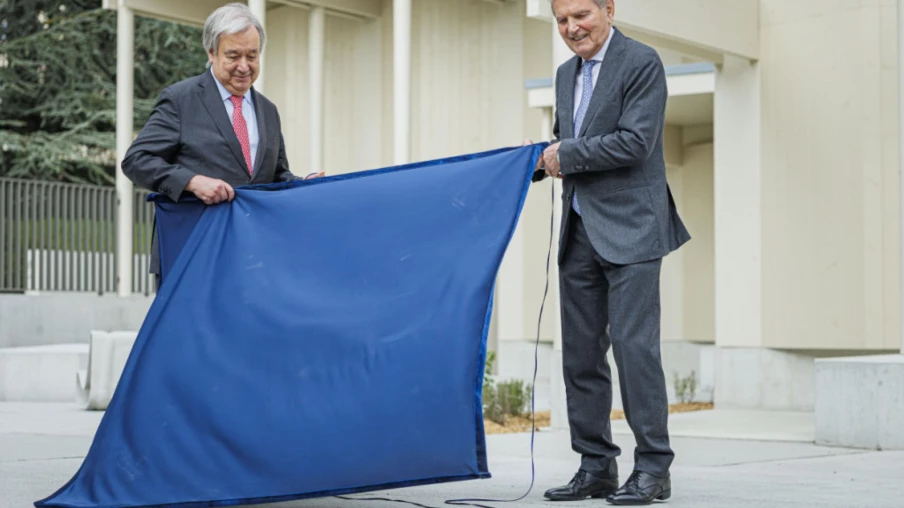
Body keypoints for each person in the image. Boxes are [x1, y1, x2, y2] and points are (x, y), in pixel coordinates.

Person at [533, 0, 690, 505]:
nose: (571, 27)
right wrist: (534, 159)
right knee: (580, 356)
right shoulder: (564, 74)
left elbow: (635, 143)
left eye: (581, 14)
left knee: (633, 348)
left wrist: (565, 154)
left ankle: (653, 470)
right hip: (579, 230)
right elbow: (567, 142)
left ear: (608, 9)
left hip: (634, 229)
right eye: (561, 20)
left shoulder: (641, 61)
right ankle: (596, 466)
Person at [122, 3, 321, 289]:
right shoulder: (181, 100)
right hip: (192, 252)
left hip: (253, 257)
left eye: (252, 55)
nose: (244, 66)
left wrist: (302, 185)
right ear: (211, 53)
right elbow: (135, 160)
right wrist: (190, 181)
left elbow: (276, 175)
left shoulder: (268, 110)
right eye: (233, 55)